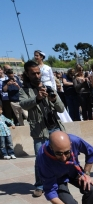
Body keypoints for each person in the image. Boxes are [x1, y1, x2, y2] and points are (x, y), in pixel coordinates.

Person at [36, 131, 93, 204]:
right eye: (59, 153)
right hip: (57, 178)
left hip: (74, 171)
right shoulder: (43, 159)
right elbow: (51, 193)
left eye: (67, 152)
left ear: (70, 144)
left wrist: (86, 174)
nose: (64, 158)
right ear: (51, 148)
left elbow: (91, 152)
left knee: (91, 190)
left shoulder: (75, 140)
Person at [19, 60, 65, 197]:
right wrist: (37, 98)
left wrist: (54, 99)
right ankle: (40, 185)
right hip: (39, 130)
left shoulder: (48, 86)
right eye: (33, 73)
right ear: (27, 74)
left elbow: (61, 109)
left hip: (54, 127)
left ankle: (60, 180)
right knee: (40, 158)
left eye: (38, 73)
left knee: (60, 155)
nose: (37, 76)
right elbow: (23, 104)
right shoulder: (24, 90)